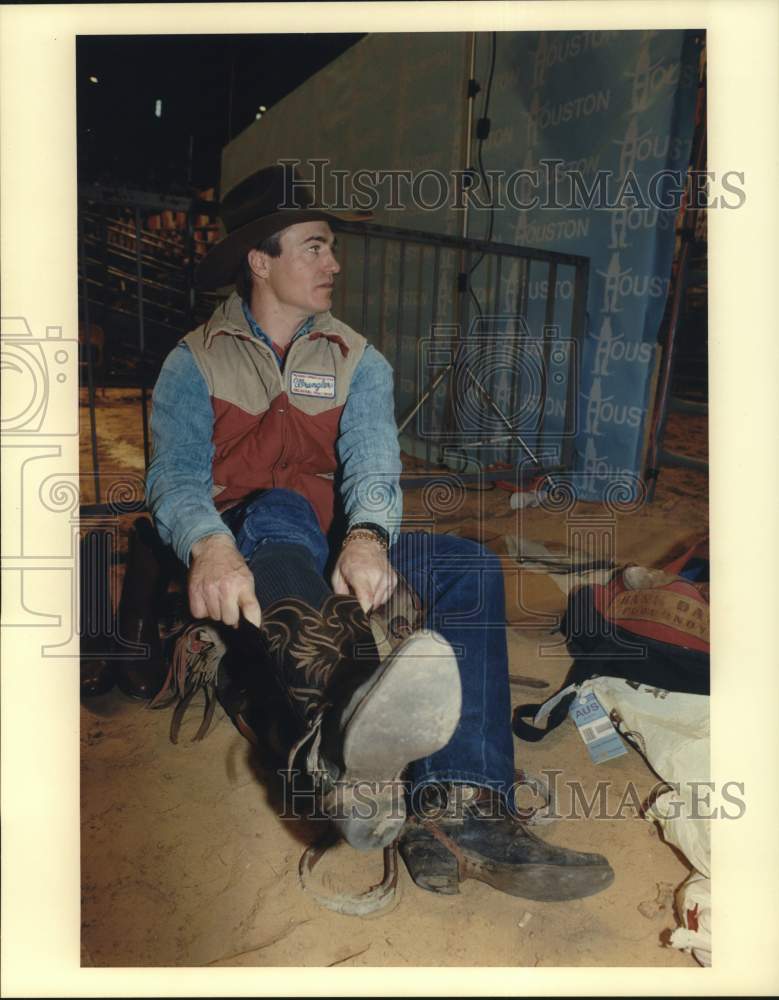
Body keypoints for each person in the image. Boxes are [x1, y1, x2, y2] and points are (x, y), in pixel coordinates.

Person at [143, 164, 614, 901]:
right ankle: (332, 743)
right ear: (259, 261)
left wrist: (365, 534)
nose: (333, 263)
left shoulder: (358, 358)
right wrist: (207, 543)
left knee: (468, 567)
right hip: (246, 551)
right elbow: (172, 477)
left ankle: (460, 800)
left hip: (331, 549)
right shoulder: (192, 360)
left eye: (331, 247)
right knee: (280, 508)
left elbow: (372, 463)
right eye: (314, 246)